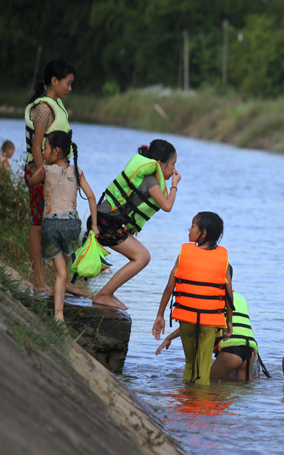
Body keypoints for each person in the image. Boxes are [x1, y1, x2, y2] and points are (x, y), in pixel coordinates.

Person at [88, 139, 181, 309]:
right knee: (142, 257)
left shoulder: (148, 176)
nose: (174, 169)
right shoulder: (151, 180)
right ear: (159, 163)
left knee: (143, 256)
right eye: (172, 164)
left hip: (106, 220)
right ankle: (103, 295)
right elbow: (167, 206)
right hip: (104, 222)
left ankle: (106, 293)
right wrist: (174, 185)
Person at [152, 212, 233, 386]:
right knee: (203, 369)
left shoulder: (184, 253)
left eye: (193, 226)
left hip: (187, 320)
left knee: (190, 363)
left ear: (203, 233)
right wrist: (229, 322)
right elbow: (228, 295)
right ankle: (200, 407)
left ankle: (186, 405)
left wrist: (160, 315)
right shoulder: (223, 258)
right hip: (210, 322)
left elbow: (169, 287)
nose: (189, 230)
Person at [26, 132, 99, 322]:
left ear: (56, 151)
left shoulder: (46, 170)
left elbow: (31, 182)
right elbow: (91, 196)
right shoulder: (77, 171)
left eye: (46, 147)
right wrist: (96, 225)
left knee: (61, 273)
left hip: (51, 225)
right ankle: (61, 294)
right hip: (72, 226)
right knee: (64, 270)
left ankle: (59, 318)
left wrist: (43, 166)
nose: (43, 151)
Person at [156, 264, 267, 381]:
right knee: (238, 394)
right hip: (250, 351)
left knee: (204, 385)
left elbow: (194, 323)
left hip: (231, 350)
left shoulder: (216, 298)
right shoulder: (241, 298)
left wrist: (169, 337)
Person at [24, 58, 77, 294]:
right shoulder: (44, 108)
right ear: (54, 81)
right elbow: (37, 148)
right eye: (68, 83)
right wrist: (44, 176)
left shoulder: (57, 105)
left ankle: (63, 282)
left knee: (62, 221)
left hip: (56, 175)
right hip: (42, 173)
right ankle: (38, 281)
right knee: (38, 225)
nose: (70, 88)